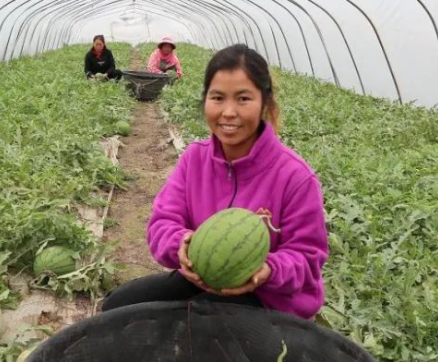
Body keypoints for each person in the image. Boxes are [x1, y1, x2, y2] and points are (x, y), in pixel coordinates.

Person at [101, 44, 329, 320]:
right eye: (218, 97)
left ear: (265, 103)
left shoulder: (295, 177)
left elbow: (307, 259)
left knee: (202, 327)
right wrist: (182, 244)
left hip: (269, 300)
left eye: (243, 99)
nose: (228, 112)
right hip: (202, 279)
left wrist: (267, 269)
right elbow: (162, 223)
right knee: (118, 308)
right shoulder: (194, 159)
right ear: (205, 100)